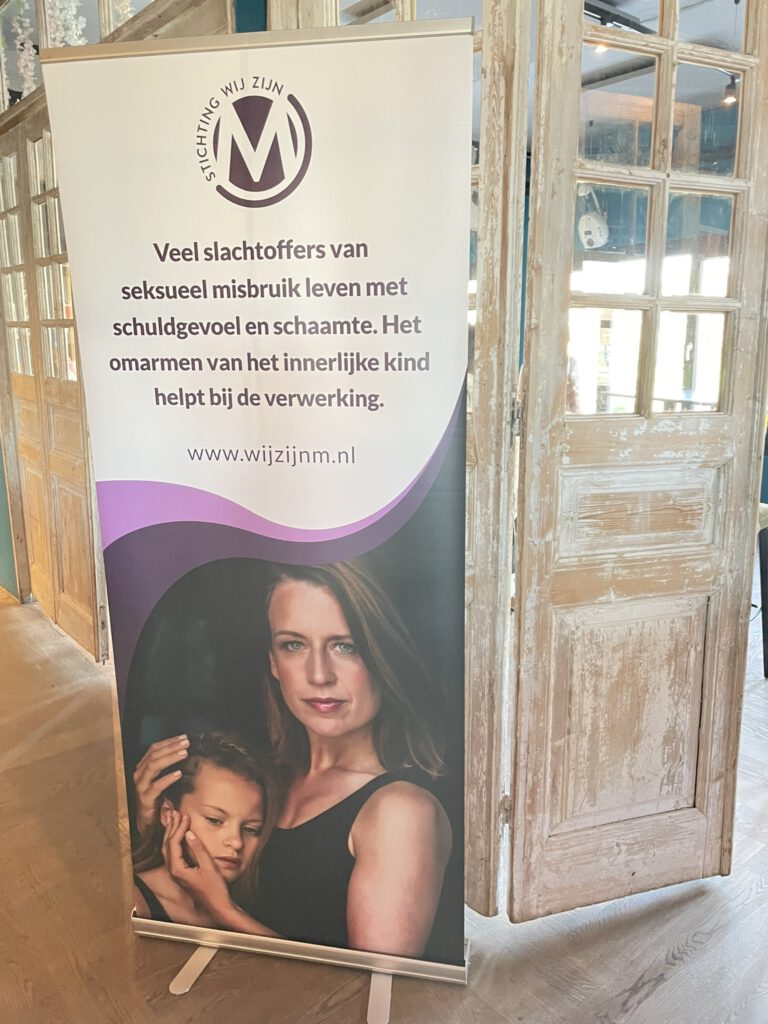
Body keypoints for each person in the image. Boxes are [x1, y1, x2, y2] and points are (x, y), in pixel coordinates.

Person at [133, 561, 454, 959]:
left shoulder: (401, 812)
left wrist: (224, 911)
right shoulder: (265, 777)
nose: (319, 675)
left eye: (345, 646)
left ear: (381, 657)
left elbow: (375, 985)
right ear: (273, 662)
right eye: (294, 645)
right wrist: (152, 827)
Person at [132, 731, 281, 928]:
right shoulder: (131, 902)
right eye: (214, 820)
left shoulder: (254, 909)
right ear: (168, 813)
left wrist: (226, 911)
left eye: (251, 829)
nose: (236, 842)